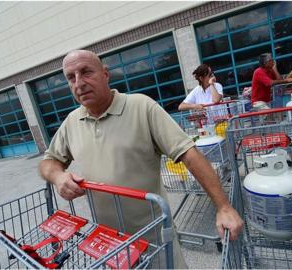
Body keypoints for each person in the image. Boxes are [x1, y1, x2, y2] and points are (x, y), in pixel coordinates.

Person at [38, 50, 243, 268]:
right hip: (109, 243)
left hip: (154, 240)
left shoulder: (141, 107)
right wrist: (58, 176)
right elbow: (48, 162)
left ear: (105, 75)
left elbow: (189, 154)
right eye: (71, 77)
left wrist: (223, 207)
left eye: (86, 72)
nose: (79, 83)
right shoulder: (72, 122)